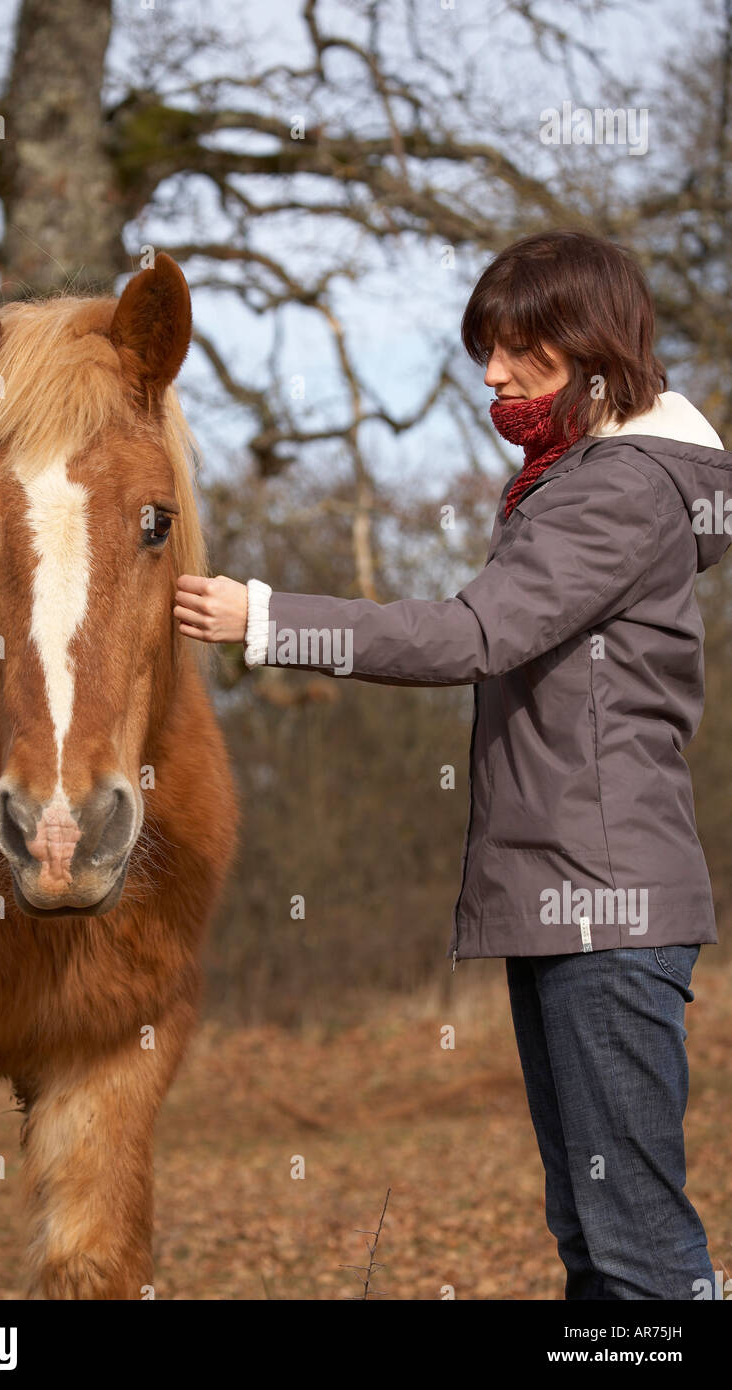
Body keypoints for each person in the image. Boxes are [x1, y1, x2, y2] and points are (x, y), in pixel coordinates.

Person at [173, 229, 730, 1300]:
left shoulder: (614, 491)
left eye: (522, 350)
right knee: (593, 1239)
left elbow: (468, 636)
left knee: (636, 1253)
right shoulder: (581, 481)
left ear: (593, 349)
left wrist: (271, 617)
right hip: (570, 897)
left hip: (602, 906)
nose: (491, 374)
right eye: (486, 347)